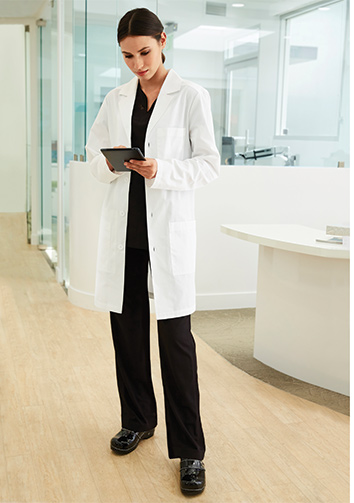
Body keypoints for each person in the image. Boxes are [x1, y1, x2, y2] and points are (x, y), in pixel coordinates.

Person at [85, 7, 219, 496]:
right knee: (127, 331)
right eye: (127, 57)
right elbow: (94, 154)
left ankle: (191, 451)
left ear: (163, 41)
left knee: (176, 342)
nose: (138, 64)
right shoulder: (116, 98)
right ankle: (138, 420)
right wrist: (115, 165)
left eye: (144, 52)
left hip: (168, 230)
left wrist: (161, 168)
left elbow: (208, 164)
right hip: (126, 232)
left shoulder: (191, 96)